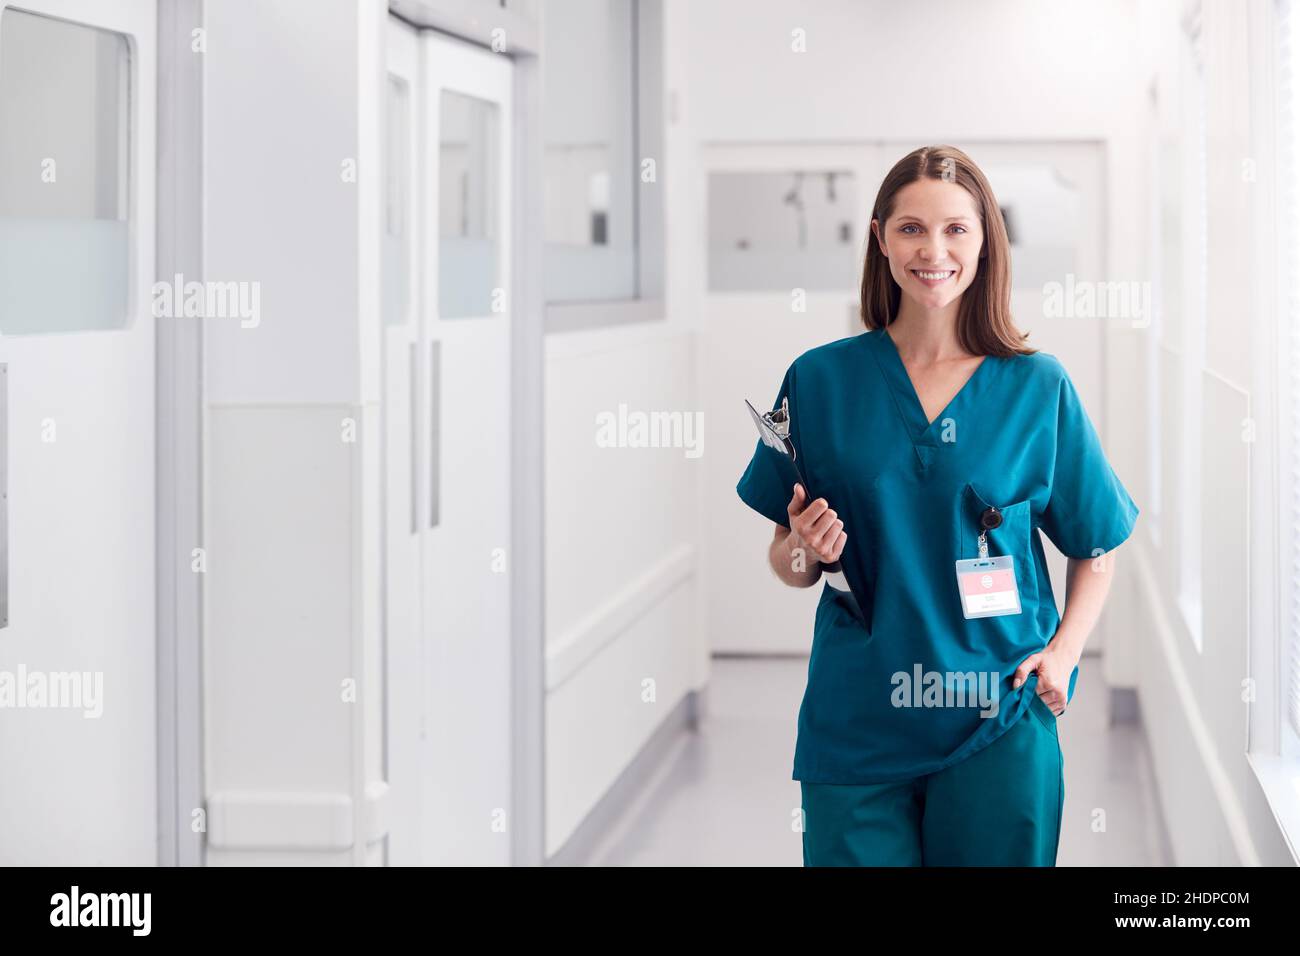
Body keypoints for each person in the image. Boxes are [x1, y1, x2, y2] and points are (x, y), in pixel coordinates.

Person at [735, 144, 1139, 866]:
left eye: (956, 229)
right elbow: (786, 560)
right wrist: (806, 547)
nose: (934, 250)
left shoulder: (1036, 386)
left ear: (985, 241)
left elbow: (1097, 544)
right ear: (879, 237)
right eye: (912, 229)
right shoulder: (819, 380)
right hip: (860, 721)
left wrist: (1064, 655)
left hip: (998, 717)